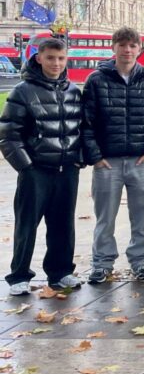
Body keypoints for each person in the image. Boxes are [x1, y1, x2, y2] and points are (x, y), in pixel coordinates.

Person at [0, 38, 84, 294]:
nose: (56, 63)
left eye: (61, 58)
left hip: (67, 169)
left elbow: (81, 128)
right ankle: (19, 276)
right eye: (50, 58)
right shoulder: (22, 91)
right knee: (27, 225)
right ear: (39, 58)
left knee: (63, 225)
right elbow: (8, 134)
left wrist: (78, 158)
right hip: (36, 170)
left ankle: (61, 272)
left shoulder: (73, 91)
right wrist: (26, 166)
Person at [82, 27, 144, 283]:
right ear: (114, 47)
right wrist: (96, 157)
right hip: (108, 162)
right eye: (122, 45)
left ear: (139, 49)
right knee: (105, 217)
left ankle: (141, 261)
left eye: (132, 45)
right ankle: (102, 262)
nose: (127, 50)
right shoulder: (96, 80)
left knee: (142, 216)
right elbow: (87, 122)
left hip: (141, 161)